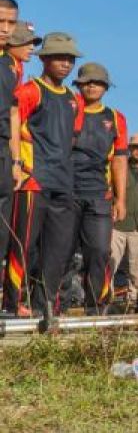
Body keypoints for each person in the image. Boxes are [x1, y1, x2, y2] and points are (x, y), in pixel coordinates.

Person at [8, 32, 84, 319]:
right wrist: (18, 165)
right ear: (45, 59)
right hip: (33, 180)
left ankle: (47, 305)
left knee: (59, 250)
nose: (66, 63)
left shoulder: (74, 100)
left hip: (63, 182)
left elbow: (71, 139)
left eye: (70, 59)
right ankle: (12, 304)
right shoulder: (30, 91)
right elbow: (13, 126)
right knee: (24, 245)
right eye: (60, 57)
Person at [69, 63, 129, 313]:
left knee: (99, 251)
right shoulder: (69, 107)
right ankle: (58, 306)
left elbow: (119, 160)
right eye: (87, 81)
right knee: (63, 251)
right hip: (66, 190)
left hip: (98, 193)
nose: (92, 85)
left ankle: (96, 307)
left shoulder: (115, 118)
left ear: (106, 87)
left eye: (98, 82)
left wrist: (120, 199)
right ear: (79, 85)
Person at [1, 19, 39, 303]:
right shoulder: (23, 85)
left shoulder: (16, 70)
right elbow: (18, 117)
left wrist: (14, 162)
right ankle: (11, 299)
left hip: (11, 159)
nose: (31, 49)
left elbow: (13, 117)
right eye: (26, 43)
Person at [111, 133, 138, 312]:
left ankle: (133, 305)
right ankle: (106, 303)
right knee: (109, 265)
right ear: (129, 148)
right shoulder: (120, 166)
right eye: (136, 147)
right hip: (117, 225)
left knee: (137, 270)